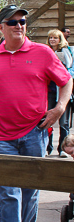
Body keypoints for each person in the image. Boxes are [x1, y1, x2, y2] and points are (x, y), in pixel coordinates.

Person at [0, 5, 72, 222]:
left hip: (35, 132)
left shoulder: (42, 53)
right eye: (12, 22)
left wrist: (60, 108)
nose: (19, 25)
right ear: (1, 27)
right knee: (8, 194)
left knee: (30, 191)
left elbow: (66, 81)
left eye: (23, 20)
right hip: (2, 138)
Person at [46, 29, 73, 157]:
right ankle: (47, 146)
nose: (52, 40)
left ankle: (63, 148)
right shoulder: (46, 51)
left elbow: (70, 69)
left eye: (55, 38)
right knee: (48, 119)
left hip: (62, 90)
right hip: (50, 90)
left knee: (64, 122)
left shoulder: (66, 51)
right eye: (50, 37)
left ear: (60, 39)